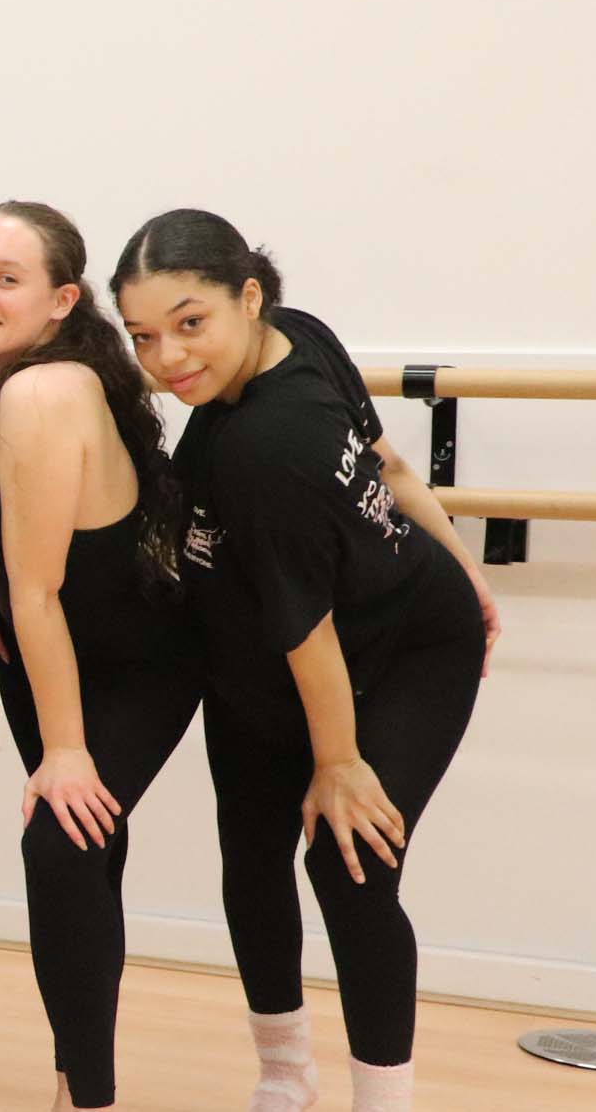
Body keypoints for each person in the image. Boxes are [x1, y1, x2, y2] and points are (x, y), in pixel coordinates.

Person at [112, 208, 497, 1112]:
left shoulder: (264, 446)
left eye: (190, 322)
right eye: (143, 337)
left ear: (249, 298)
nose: (167, 358)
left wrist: (340, 763)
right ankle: (285, 1076)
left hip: (398, 654)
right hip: (262, 667)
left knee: (349, 862)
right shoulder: (296, 340)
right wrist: (464, 563)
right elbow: (387, 465)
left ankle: (383, 1101)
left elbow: (309, 622)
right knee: (251, 859)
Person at [0, 201, 198, 1110]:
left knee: (62, 848)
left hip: (125, 670)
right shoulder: (26, 374)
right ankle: (76, 1081)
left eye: (4, 279)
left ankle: (85, 1095)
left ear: (61, 300)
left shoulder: (41, 390)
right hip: (55, 660)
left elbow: (44, 590)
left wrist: (66, 751)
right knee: (85, 860)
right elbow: (24, 545)